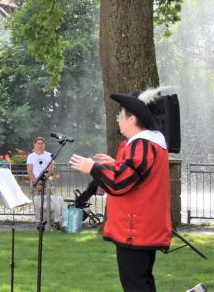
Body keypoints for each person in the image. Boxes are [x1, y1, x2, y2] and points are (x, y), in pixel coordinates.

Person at [68, 89, 173, 292]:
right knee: (141, 282)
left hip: (136, 228)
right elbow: (137, 176)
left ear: (132, 119)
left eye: (121, 115)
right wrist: (116, 163)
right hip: (141, 227)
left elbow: (120, 183)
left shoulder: (143, 144)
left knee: (136, 285)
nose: (118, 120)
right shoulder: (149, 143)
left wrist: (92, 167)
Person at [25, 137, 61, 229]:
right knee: (37, 203)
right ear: (35, 145)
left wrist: (43, 180)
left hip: (47, 181)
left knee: (50, 202)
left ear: (44, 145)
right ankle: (39, 223)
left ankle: (51, 222)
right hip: (35, 181)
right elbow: (29, 171)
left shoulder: (49, 155)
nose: (40, 145)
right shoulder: (31, 156)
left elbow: (51, 170)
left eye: (42, 143)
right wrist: (37, 182)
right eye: (38, 143)